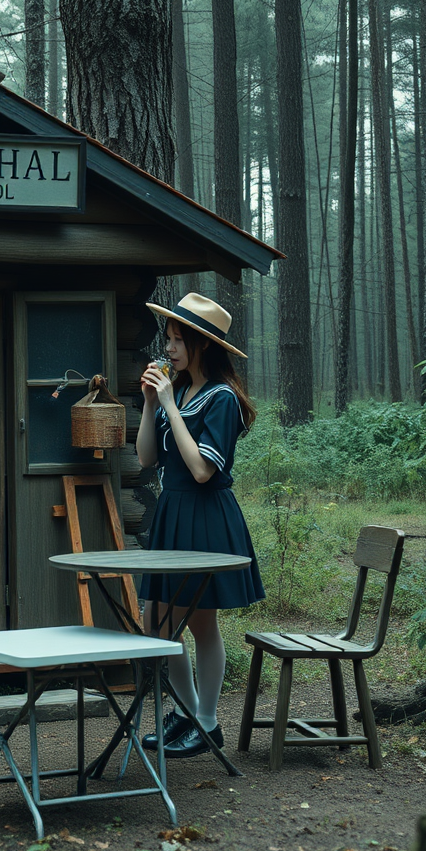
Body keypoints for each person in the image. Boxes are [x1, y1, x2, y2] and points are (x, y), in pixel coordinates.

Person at [137, 292, 265, 758]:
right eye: (168, 339)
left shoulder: (222, 399)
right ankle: (187, 715)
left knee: (200, 623)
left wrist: (169, 403)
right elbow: (148, 458)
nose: (168, 349)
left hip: (205, 515)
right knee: (159, 621)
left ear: (202, 345)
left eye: (177, 341)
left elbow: (202, 470)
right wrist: (152, 403)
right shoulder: (181, 391)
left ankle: (207, 722)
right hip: (173, 512)